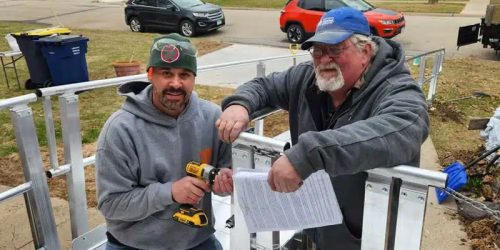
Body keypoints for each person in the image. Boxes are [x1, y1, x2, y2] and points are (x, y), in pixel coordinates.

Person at [216, 7, 429, 250]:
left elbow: (402, 127)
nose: (324, 59)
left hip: (366, 237)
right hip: (315, 226)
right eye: (317, 50)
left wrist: (307, 155)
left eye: (335, 49)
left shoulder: (396, 88)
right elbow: (264, 86)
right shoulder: (307, 77)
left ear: (365, 51)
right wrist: (239, 105)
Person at [95, 33, 233, 250]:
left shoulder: (213, 117)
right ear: (150, 75)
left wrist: (225, 183)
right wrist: (170, 192)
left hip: (197, 240)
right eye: (166, 73)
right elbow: (111, 204)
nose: (175, 83)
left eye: (184, 74)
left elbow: (227, 176)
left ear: (194, 78)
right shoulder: (121, 129)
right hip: (134, 244)